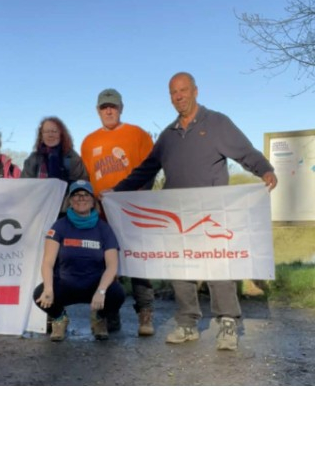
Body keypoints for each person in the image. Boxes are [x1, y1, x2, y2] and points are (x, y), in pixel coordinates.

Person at [113, 72, 278, 351]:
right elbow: (146, 169)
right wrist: (117, 192)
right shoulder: (168, 135)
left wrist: (264, 169)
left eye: (183, 90)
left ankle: (227, 322)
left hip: (213, 213)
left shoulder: (217, 123)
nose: (179, 96)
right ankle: (187, 322)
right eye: (173, 92)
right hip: (178, 217)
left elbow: (245, 151)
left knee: (218, 266)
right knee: (180, 267)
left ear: (195, 91)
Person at [81, 88, 156, 336]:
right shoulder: (89, 142)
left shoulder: (138, 134)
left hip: (134, 210)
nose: (109, 111)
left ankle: (145, 313)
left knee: (138, 263)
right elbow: (87, 179)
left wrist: (138, 197)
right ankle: (109, 314)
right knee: (106, 266)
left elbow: (150, 168)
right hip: (103, 214)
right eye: (104, 107)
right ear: (98, 111)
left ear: (121, 108)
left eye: (113, 106)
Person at [34, 180, 126, 342]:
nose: (81, 198)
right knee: (39, 294)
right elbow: (47, 262)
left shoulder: (104, 228)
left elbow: (112, 266)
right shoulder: (59, 226)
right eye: (76, 195)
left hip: (94, 286)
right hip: (65, 284)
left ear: (92, 201)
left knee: (117, 294)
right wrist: (48, 289)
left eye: (85, 195)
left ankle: (99, 318)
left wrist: (101, 291)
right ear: (70, 200)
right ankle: (59, 318)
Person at [21, 116, 88, 190]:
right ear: (41, 136)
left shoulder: (72, 157)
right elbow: (24, 185)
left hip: (65, 197)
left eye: (54, 131)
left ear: (61, 134)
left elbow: (81, 185)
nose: (50, 135)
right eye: (46, 131)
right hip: (39, 196)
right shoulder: (33, 159)